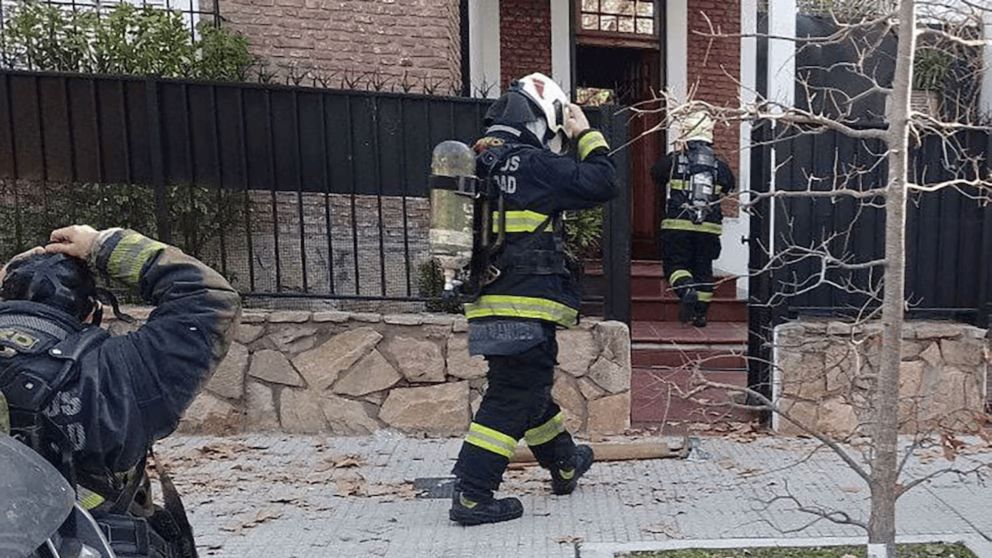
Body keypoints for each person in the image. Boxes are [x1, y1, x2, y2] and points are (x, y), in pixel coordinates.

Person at [0, 225, 241, 557]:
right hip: (100, 541)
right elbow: (208, 299)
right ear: (91, 314)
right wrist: (102, 245)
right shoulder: (120, 369)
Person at [449, 73, 618, 526]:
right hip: (528, 300)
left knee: (528, 387)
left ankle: (564, 463)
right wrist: (585, 132)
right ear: (543, 119)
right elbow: (604, 181)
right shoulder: (534, 165)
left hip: (486, 300)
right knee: (514, 393)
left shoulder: (474, 163)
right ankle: (472, 493)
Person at [651, 110, 736, 327]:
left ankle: (686, 289)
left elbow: (655, 173)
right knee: (704, 269)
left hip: (677, 225)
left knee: (676, 265)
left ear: (685, 135)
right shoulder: (720, 165)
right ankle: (700, 315)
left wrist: (676, 152)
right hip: (709, 228)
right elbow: (729, 185)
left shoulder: (675, 160)